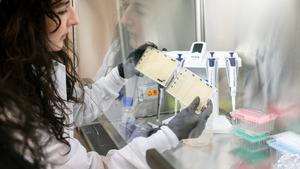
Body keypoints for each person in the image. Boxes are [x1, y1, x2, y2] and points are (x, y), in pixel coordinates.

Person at [0, 0, 213, 169]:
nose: (75, 19)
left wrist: (120, 73)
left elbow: (79, 106)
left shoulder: (37, 69)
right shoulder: (14, 107)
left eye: (138, 9)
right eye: (63, 9)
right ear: (26, 20)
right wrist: (170, 133)